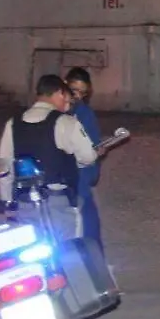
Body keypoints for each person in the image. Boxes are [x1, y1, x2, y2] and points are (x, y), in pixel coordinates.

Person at [0, 74, 97, 242]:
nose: (68, 103)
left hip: (25, 203)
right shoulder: (66, 122)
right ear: (59, 93)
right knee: (68, 256)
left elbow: (5, 168)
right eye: (67, 97)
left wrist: (8, 203)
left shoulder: (13, 123)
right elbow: (88, 157)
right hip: (58, 203)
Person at [65, 67, 103, 250]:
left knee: (90, 233)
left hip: (82, 181)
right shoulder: (57, 115)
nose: (78, 96)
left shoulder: (85, 113)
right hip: (64, 184)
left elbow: (93, 144)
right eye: (75, 91)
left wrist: (94, 167)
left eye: (83, 92)